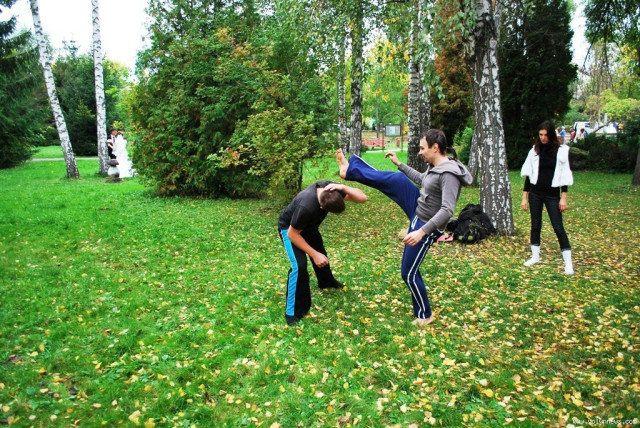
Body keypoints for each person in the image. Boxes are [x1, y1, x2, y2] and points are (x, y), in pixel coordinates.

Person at [336, 129, 472, 327]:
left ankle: (425, 315)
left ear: (435, 147)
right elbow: (422, 180)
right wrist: (399, 164)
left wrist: (421, 232)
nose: (420, 152)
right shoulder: (436, 166)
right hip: (418, 207)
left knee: (408, 272)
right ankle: (350, 170)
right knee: (397, 179)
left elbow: (447, 210)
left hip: (426, 224)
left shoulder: (449, 174)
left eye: (422, 148)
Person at [278, 181, 368, 326]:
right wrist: (314, 254)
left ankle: (326, 282)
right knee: (299, 266)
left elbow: (362, 198)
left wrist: (344, 187)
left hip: (309, 227)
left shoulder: (332, 189)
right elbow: (292, 234)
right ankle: (292, 312)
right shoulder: (306, 206)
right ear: (322, 207)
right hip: (289, 229)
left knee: (320, 251)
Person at [520, 120, 574, 275]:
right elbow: (529, 175)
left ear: (551, 135)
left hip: (552, 195)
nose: (543, 138)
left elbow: (564, 175)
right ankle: (535, 256)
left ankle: (568, 263)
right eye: (540, 134)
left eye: (546, 135)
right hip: (535, 194)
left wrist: (563, 197)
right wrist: (525, 197)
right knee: (535, 225)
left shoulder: (561, 151)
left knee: (558, 227)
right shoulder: (534, 151)